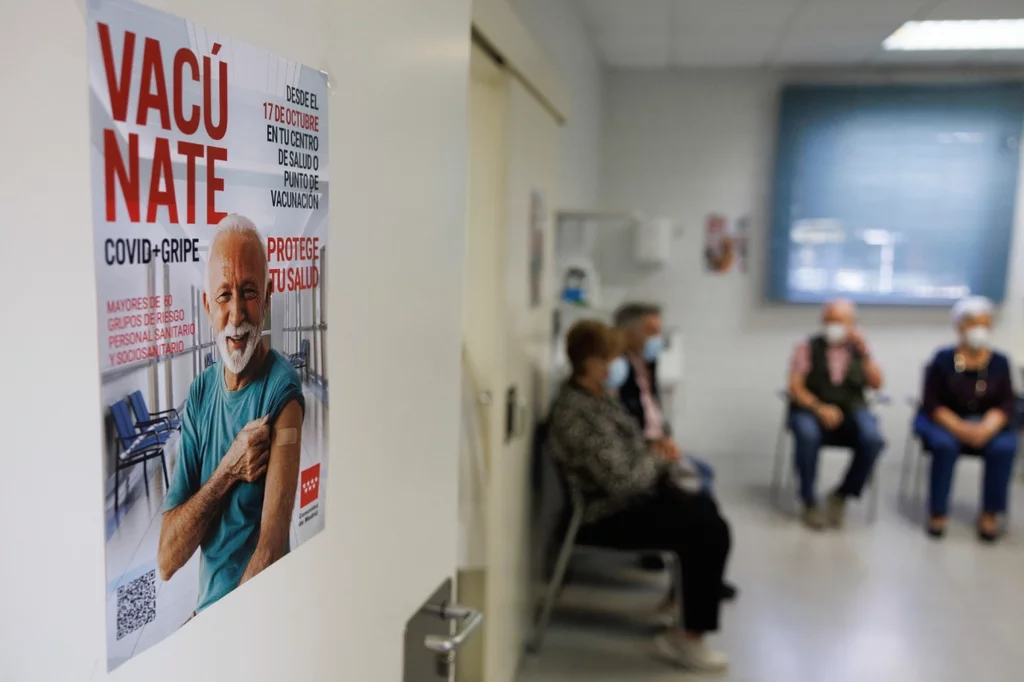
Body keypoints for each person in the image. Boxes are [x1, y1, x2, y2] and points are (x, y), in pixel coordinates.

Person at [546, 319, 731, 672]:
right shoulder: (576, 413)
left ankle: (685, 612)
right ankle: (688, 639)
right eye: (611, 358)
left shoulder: (600, 397)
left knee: (706, 513)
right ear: (591, 362)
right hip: (605, 515)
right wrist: (657, 458)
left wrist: (653, 446)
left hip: (632, 497)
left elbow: (630, 449)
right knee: (708, 530)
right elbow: (622, 482)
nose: (618, 365)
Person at [157, 214, 305, 616]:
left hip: (252, 617)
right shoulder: (201, 392)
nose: (237, 314)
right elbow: (168, 558)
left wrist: (223, 632)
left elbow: (271, 551)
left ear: (268, 298)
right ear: (208, 305)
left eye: (249, 291)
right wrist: (228, 470)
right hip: (210, 616)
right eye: (224, 295)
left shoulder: (282, 391)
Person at [614, 302, 737, 601]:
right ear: (628, 334)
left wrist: (665, 438)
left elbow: (652, 410)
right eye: (651, 331)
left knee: (703, 476)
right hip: (641, 455)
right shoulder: (617, 370)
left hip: (656, 444)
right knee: (698, 490)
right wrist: (652, 445)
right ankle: (694, 572)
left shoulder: (646, 364)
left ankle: (702, 573)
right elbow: (622, 424)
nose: (658, 339)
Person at [913, 296, 1017, 542]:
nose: (979, 330)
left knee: (1004, 447)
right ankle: (937, 512)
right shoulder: (943, 359)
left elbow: (1007, 403)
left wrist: (988, 426)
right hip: (945, 421)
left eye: (985, 323)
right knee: (944, 445)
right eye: (973, 324)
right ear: (960, 326)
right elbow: (932, 403)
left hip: (987, 423)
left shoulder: (1000, 362)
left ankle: (990, 513)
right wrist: (961, 428)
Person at [786, 298, 886, 530]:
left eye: (840, 321)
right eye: (829, 320)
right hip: (811, 410)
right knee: (807, 434)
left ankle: (842, 494)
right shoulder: (806, 346)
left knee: (873, 439)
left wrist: (865, 354)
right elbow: (795, 387)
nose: (833, 325)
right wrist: (819, 407)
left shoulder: (862, 349)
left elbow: (877, 384)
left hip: (851, 410)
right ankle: (809, 499)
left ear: (853, 324)